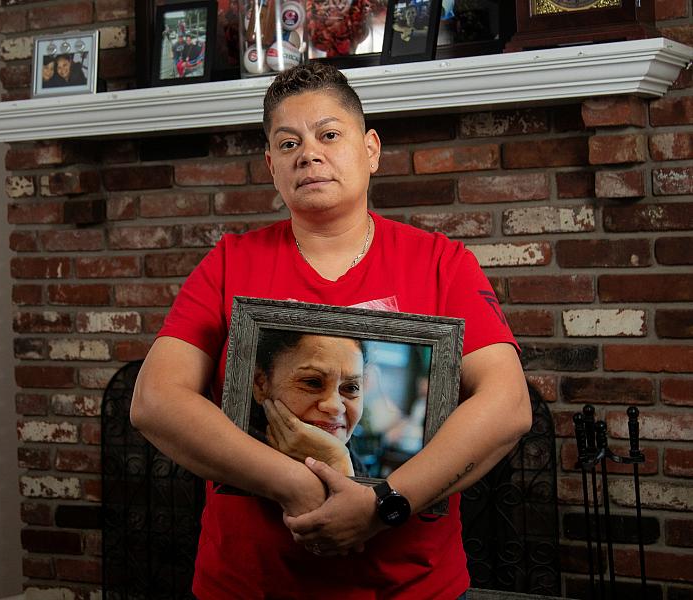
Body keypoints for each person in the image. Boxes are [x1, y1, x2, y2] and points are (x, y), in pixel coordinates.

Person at [130, 62, 530, 598]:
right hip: (248, 586)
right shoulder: (228, 263)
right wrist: (291, 483)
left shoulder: (443, 264)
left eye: (329, 134)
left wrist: (383, 503)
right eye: (288, 142)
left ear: (370, 149)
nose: (309, 153)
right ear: (271, 164)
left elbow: (508, 404)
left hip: (411, 587)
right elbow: (155, 400)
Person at [252, 331, 367, 477]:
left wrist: (338, 461)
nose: (335, 407)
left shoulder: (356, 466)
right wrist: (334, 460)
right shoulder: (232, 463)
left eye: (351, 388)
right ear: (261, 384)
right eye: (312, 382)